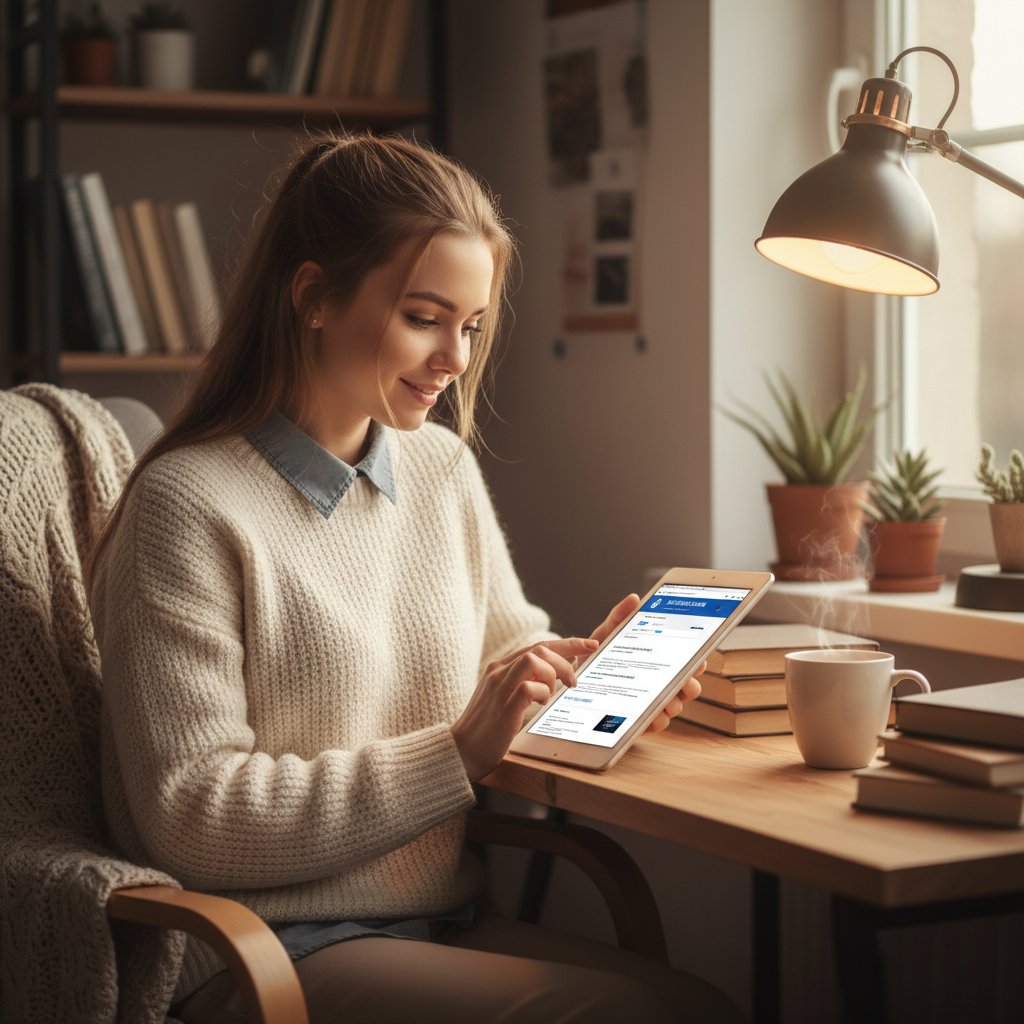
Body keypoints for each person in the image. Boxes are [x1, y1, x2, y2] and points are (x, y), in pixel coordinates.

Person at [89, 133, 741, 1024]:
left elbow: (505, 661)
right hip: (262, 952)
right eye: (426, 318)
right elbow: (193, 813)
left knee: (704, 1006)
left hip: (446, 921)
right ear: (314, 297)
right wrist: (455, 754)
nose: (458, 359)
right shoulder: (187, 505)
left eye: (470, 327)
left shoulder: (439, 470)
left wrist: (594, 683)